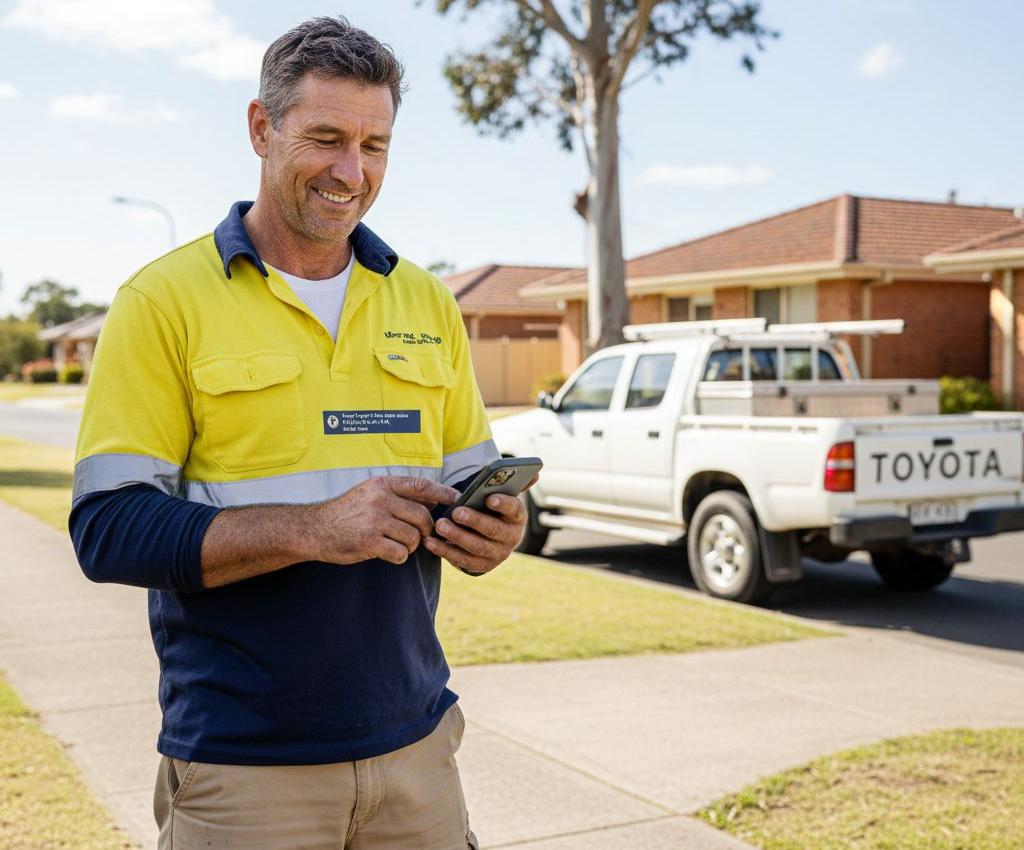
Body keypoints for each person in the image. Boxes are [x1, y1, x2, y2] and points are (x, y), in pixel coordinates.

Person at [70, 16, 530, 850]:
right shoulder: (162, 301)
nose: (351, 172)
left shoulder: (425, 301)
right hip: (246, 769)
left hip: (417, 747)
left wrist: (494, 528)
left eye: (375, 145)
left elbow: (475, 478)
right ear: (261, 128)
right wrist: (316, 530)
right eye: (325, 138)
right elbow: (107, 529)